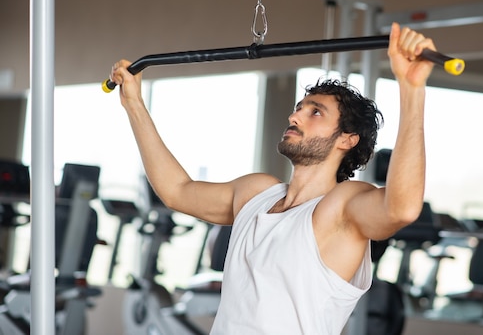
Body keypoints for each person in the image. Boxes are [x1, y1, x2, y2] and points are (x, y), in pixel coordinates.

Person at [109, 22, 435, 335]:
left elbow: (401, 209)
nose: (294, 116)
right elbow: (177, 192)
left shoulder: (341, 207)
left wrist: (412, 90)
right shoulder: (256, 192)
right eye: (299, 108)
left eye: (315, 112)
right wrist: (134, 104)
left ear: (347, 139)